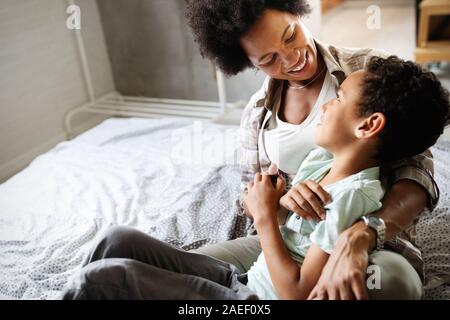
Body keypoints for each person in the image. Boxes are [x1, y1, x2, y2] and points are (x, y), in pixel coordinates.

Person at [61, 56, 449, 300]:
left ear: (368, 125)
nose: (326, 104)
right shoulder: (319, 160)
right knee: (116, 239)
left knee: (110, 280)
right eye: (264, 57)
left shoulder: (354, 196)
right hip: (244, 276)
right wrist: (274, 204)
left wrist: (264, 217)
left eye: (339, 99)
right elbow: (281, 217)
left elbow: (296, 292)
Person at [186, 0, 441, 299]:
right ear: (247, 62)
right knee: (180, 270)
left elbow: (419, 172)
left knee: (394, 283)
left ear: (296, 12)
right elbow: (252, 196)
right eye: (268, 59)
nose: (292, 58)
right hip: (287, 240)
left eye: (291, 35)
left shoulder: (368, 71)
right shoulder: (256, 115)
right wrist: (281, 201)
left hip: (374, 241)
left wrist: (362, 233)